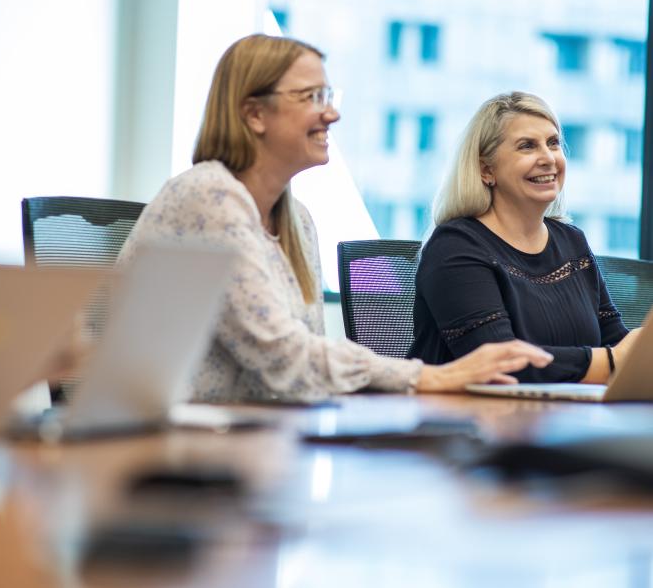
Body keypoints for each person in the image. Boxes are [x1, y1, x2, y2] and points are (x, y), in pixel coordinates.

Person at [119, 36, 551, 402]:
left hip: (244, 439)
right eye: (311, 98)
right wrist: (426, 376)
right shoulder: (207, 197)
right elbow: (283, 359)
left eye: (328, 96)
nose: (332, 113)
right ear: (254, 114)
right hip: (163, 453)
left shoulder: (297, 220)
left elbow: (296, 366)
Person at [408, 91, 639, 383]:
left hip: (563, 419)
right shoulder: (454, 247)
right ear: (486, 169)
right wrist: (613, 361)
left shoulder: (572, 242)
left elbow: (616, 342)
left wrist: (638, 353)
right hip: (469, 423)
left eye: (553, 143)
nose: (548, 158)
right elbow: (503, 366)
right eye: (527, 146)